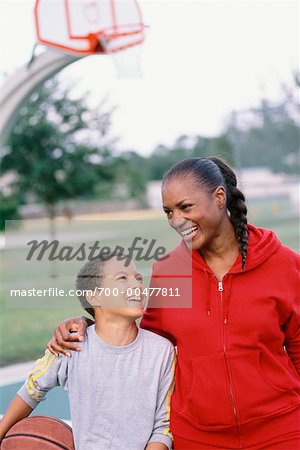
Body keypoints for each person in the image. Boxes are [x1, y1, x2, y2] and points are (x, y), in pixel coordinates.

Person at [47, 157, 300, 450]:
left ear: (220, 197)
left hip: (281, 429)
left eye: (185, 207)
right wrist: (89, 325)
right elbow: (142, 342)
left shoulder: (283, 264)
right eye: (169, 212)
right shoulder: (170, 271)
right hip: (197, 436)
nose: (176, 221)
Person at [0, 253, 175, 450]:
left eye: (139, 278)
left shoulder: (162, 351)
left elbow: (163, 426)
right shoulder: (70, 344)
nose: (137, 285)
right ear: (94, 296)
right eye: (122, 278)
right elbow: (31, 389)